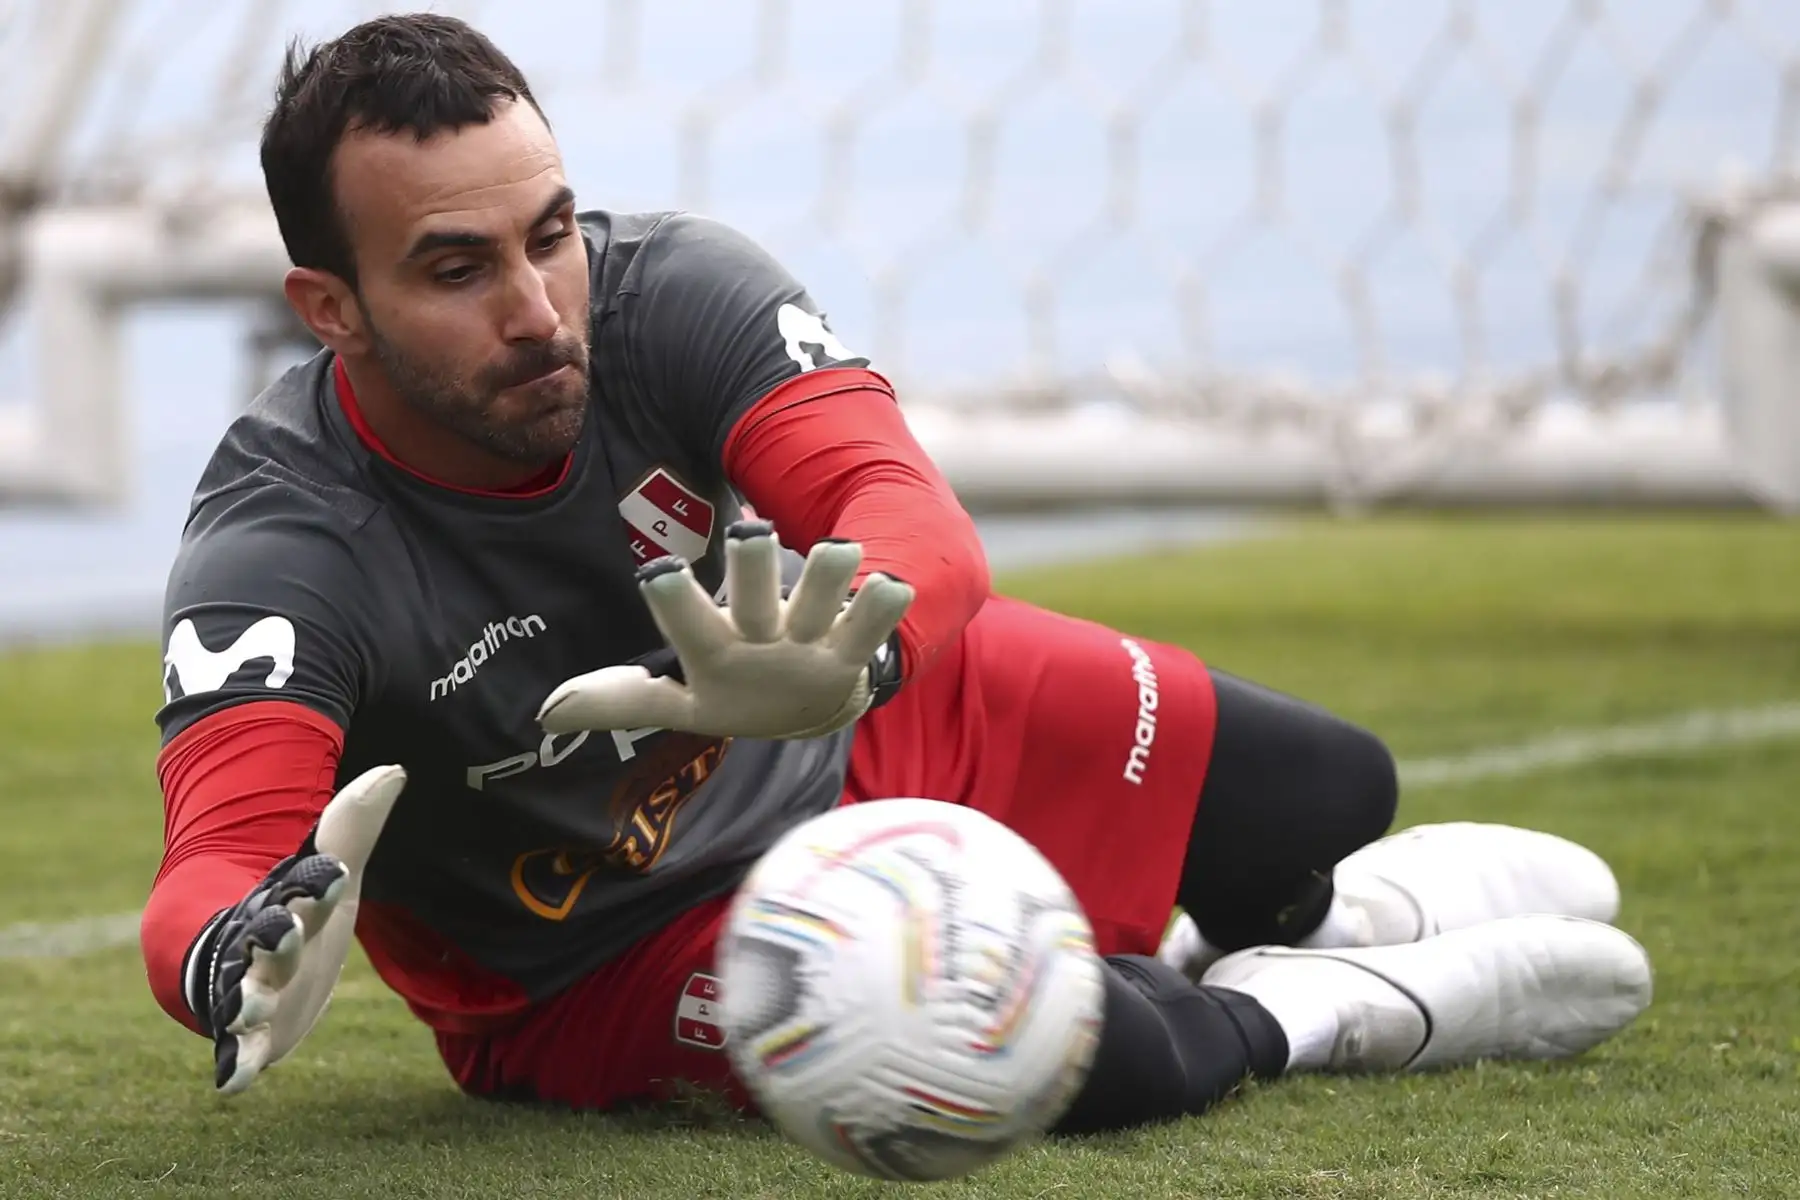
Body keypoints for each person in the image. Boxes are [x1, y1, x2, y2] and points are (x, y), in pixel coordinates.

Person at [141, 13, 1652, 1137]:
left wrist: (854, 661)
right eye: (460, 269)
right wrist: (226, 952)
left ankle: (1264, 922)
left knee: (1328, 795)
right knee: (1092, 1057)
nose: (544, 309)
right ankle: (1327, 1004)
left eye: (552, 234)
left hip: (860, 729)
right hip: (613, 955)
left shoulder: (673, 290)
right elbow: (216, 859)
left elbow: (906, 516)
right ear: (329, 307)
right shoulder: (284, 546)